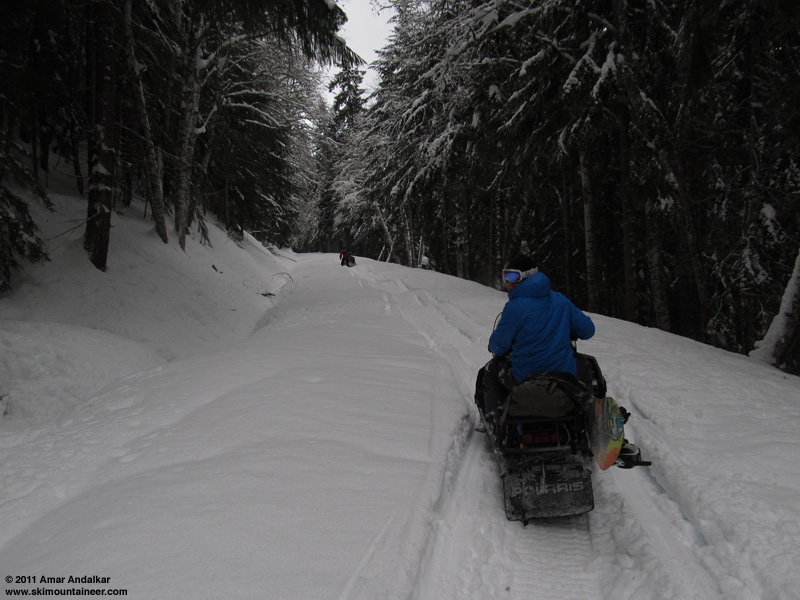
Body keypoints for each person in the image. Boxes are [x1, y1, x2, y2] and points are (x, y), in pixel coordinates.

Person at [475, 254, 595, 423]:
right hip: (564, 377)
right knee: (585, 364)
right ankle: (590, 416)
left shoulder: (514, 308)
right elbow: (588, 331)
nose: (508, 282)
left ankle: (496, 423)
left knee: (491, 370)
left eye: (513, 276)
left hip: (524, 378)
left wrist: (493, 344)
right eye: (505, 276)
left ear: (527, 276)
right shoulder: (561, 301)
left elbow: (498, 347)